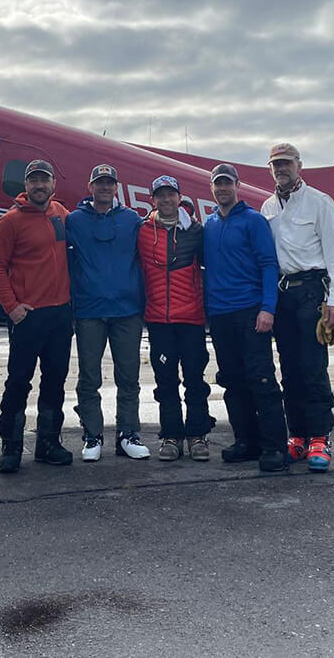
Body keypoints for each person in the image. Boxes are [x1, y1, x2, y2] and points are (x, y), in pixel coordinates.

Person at [260, 142, 334, 473]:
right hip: (284, 294)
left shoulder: (320, 202)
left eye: (286, 163)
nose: (281, 169)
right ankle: (296, 435)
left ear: (299, 165)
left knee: (312, 366)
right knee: (290, 367)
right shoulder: (267, 207)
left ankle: (320, 437)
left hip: (312, 292)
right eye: (275, 164)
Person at [0, 158, 74, 473]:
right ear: (26, 186)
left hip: (60, 315)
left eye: (45, 180)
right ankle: (10, 446)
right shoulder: (10, 221)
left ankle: (48, 443)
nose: (39, 186)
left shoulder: (62, 214)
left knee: (55, 381)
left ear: (53, 184)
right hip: (29, 316)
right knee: (18, 382)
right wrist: (12, 307)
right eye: (33, 180)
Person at [202, 163, 289, 473]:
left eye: (227, 183)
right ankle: (246, 441)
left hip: (251, 311)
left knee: (262, 379)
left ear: (237, 186)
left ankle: (274, 447)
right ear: (212, 188)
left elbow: (268, 264)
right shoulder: (209, 224)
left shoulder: (253, 221)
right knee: (232, 380)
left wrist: (268, 308)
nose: (223, 189)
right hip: (221, 315)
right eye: (217, 184)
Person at [67, 163, 149, 461]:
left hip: (127, 311)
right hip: (89, 310)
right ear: (90, 186)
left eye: (109, 183)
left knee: (128, 376)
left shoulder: (132, 220)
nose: (104, 187)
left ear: (117, 187)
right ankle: (92, 435)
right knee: (89, 377)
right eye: (99, 182)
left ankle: (128, 433)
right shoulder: (74, 220)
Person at [138, 174, 212, 461]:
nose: (166, 200)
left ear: (179, 198)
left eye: (171, 194)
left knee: (195, 380)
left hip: (191, 319)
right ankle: (170, 435)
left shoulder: (196, 231)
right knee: (165, 381)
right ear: (153, 200)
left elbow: (211, 269)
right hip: (159, 321)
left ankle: (197, 436)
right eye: (160, 195)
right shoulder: (143, 230)